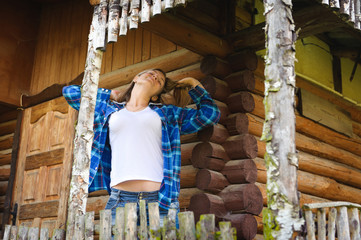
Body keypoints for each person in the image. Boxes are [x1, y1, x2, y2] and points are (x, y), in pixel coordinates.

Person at [63, 69, 220, 226]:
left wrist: (193, 84)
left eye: (161, 80)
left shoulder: (169, 114)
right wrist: (111, 94)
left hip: (161, 201)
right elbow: (70, 93)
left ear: (156, 95)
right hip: (120, 200)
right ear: (136, 78)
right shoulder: (107, 110)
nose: (155, 76)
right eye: (150, 73)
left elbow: (209, 114)